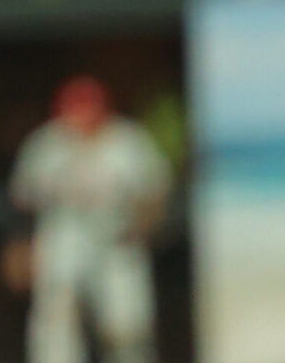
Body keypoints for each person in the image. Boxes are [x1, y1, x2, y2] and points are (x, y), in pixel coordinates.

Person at [9, 76, 173, 363]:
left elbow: (157, 193)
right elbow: (22, 202)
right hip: (63, 236)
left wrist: (144, 227)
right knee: (56, 319)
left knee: (125, 325)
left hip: (117, 237)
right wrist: (20, 246)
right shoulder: (46, 144)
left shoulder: (127, 141)